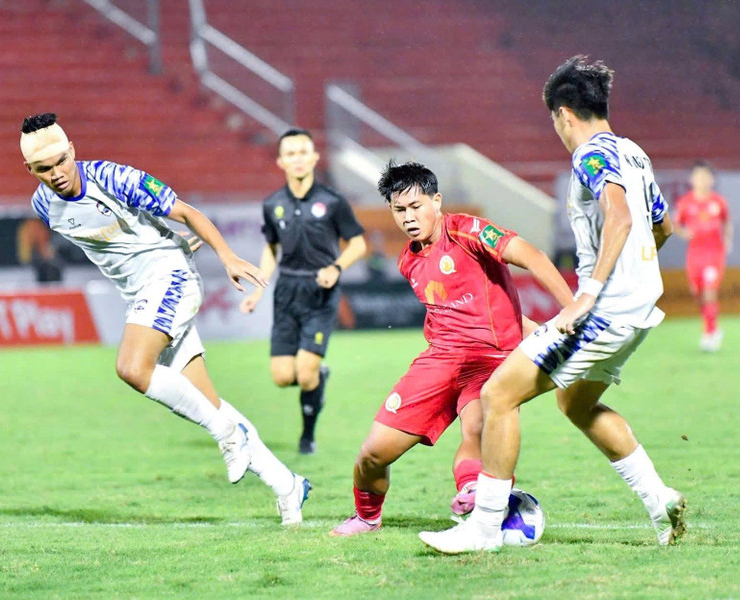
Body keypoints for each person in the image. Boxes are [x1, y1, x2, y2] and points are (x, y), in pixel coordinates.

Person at [420, 55, 686, 553]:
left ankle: (484, 529)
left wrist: (591, 292)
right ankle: (659, 500)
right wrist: (631, 279)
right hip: (638, 313)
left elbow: (622, 216)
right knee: (576, 403)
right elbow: (663, 227)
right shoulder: (634, 153)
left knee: (498, 394)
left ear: (564, 114)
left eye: (554, 122)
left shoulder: (589, 155)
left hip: (603, 311)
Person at [21, 113, 310, 525]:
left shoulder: (114, 178)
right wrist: (163, 240)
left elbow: (188, 213)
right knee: (207, 402)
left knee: (132, 368)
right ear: (30, 170)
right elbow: (124, 241)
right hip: (140, 291)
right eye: (43, 169)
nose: (56, 174)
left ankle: (228, 435)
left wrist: (224, 256)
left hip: (169, 278)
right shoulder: (43, 206)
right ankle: (287, 485)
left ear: (72, 152)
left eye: (60, 162)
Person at [330, 161, 575, 537]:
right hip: (440, 361)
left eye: (416, 206)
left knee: (476, 428)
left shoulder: (468, 231)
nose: (409, 217)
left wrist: (569, 309)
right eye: (400, 211)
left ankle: (474, 490)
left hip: (490, 363)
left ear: (437, 200)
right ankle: (367, 517)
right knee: (372, 455)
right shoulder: (408, 261)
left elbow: (533, 257)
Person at [240, 128, 367, 454]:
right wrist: (257, 288)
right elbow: (271, 248)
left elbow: (358, 243)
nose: (297, 158)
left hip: (320, 292)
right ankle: (316, 376)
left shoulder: (333, 202)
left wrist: (336, 268)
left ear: (314, 158)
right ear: (281, 161)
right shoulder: (272, 204)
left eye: (302, 152)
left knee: (305, 371)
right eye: (290, 153)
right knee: (283, 377)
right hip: (286, 291)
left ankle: (307, 436)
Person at [673, 161, 732, 352]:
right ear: (692, 179)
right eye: (698, 176)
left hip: (714, 253)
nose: (702, 180)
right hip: (694, 254)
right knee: (698, 293)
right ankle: (711, 326)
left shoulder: (718, 202)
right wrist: (683, 233)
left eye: (706, 176)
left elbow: (727, 221)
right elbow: (674, 224)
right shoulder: (685, 203)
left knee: (709, 292)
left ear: (712, 179)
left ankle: (710, 333)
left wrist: (728, 240)